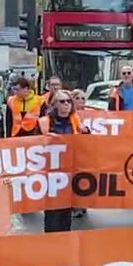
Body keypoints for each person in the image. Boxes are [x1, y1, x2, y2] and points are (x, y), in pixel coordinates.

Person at [35, 90, 90, 230]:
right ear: (54, 105)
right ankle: (52, 243)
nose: (66, 104)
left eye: (68, 101)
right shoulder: (44, 122)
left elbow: (87, 144)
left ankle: (64, 241)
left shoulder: (76, 120)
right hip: (51, 173)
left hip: (70, 172)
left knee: (66, 212)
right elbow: (34, 146)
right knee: (53, 212)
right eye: (62, 101)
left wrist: (86, 131)